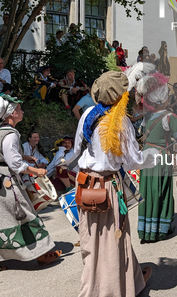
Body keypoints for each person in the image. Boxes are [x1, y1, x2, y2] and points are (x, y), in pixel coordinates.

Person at [71, 71, 155, 296]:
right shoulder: (120, 120)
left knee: (91, 237)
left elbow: (77, 148)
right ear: (120, 96)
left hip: (86, 182)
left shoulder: (88, 113)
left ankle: (132, 278)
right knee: (112, 236)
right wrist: (153, 156)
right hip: (107, 184)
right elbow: (133, 161)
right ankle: (106, 289)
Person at [0, 94, 61, 275]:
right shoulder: (11, 134)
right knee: (25, 212)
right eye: (19, 109)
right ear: (11, 114)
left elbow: (5, 154)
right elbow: (14, 164)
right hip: (5, 180)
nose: (22, 111)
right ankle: (41, 254)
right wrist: (36, 171)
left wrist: (24, 156)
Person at [135, 71, 177, 242]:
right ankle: (162, 228)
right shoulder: (170, 117)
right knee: (162, 190)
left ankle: (146, 230)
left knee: (147, 190)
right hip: (161, 157)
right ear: (163, 99)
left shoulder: (146, 116)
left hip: (146, 155)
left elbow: (140, 132)